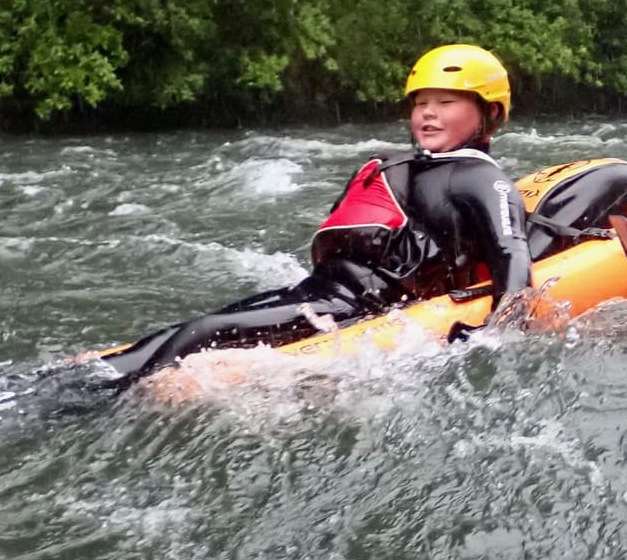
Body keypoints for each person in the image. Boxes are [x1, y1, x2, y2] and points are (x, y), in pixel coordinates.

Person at [97, 44, 534, 384]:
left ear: (490, 113)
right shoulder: (407, 166)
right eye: (421, 103)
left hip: (354, 307)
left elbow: (510, 252)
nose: (428, 114)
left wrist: (494, 333)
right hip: (321, 291)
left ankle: (88, 398)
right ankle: (92, 375)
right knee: (190, 329)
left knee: (203, 332)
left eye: (446, 102)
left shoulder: (481, 179)